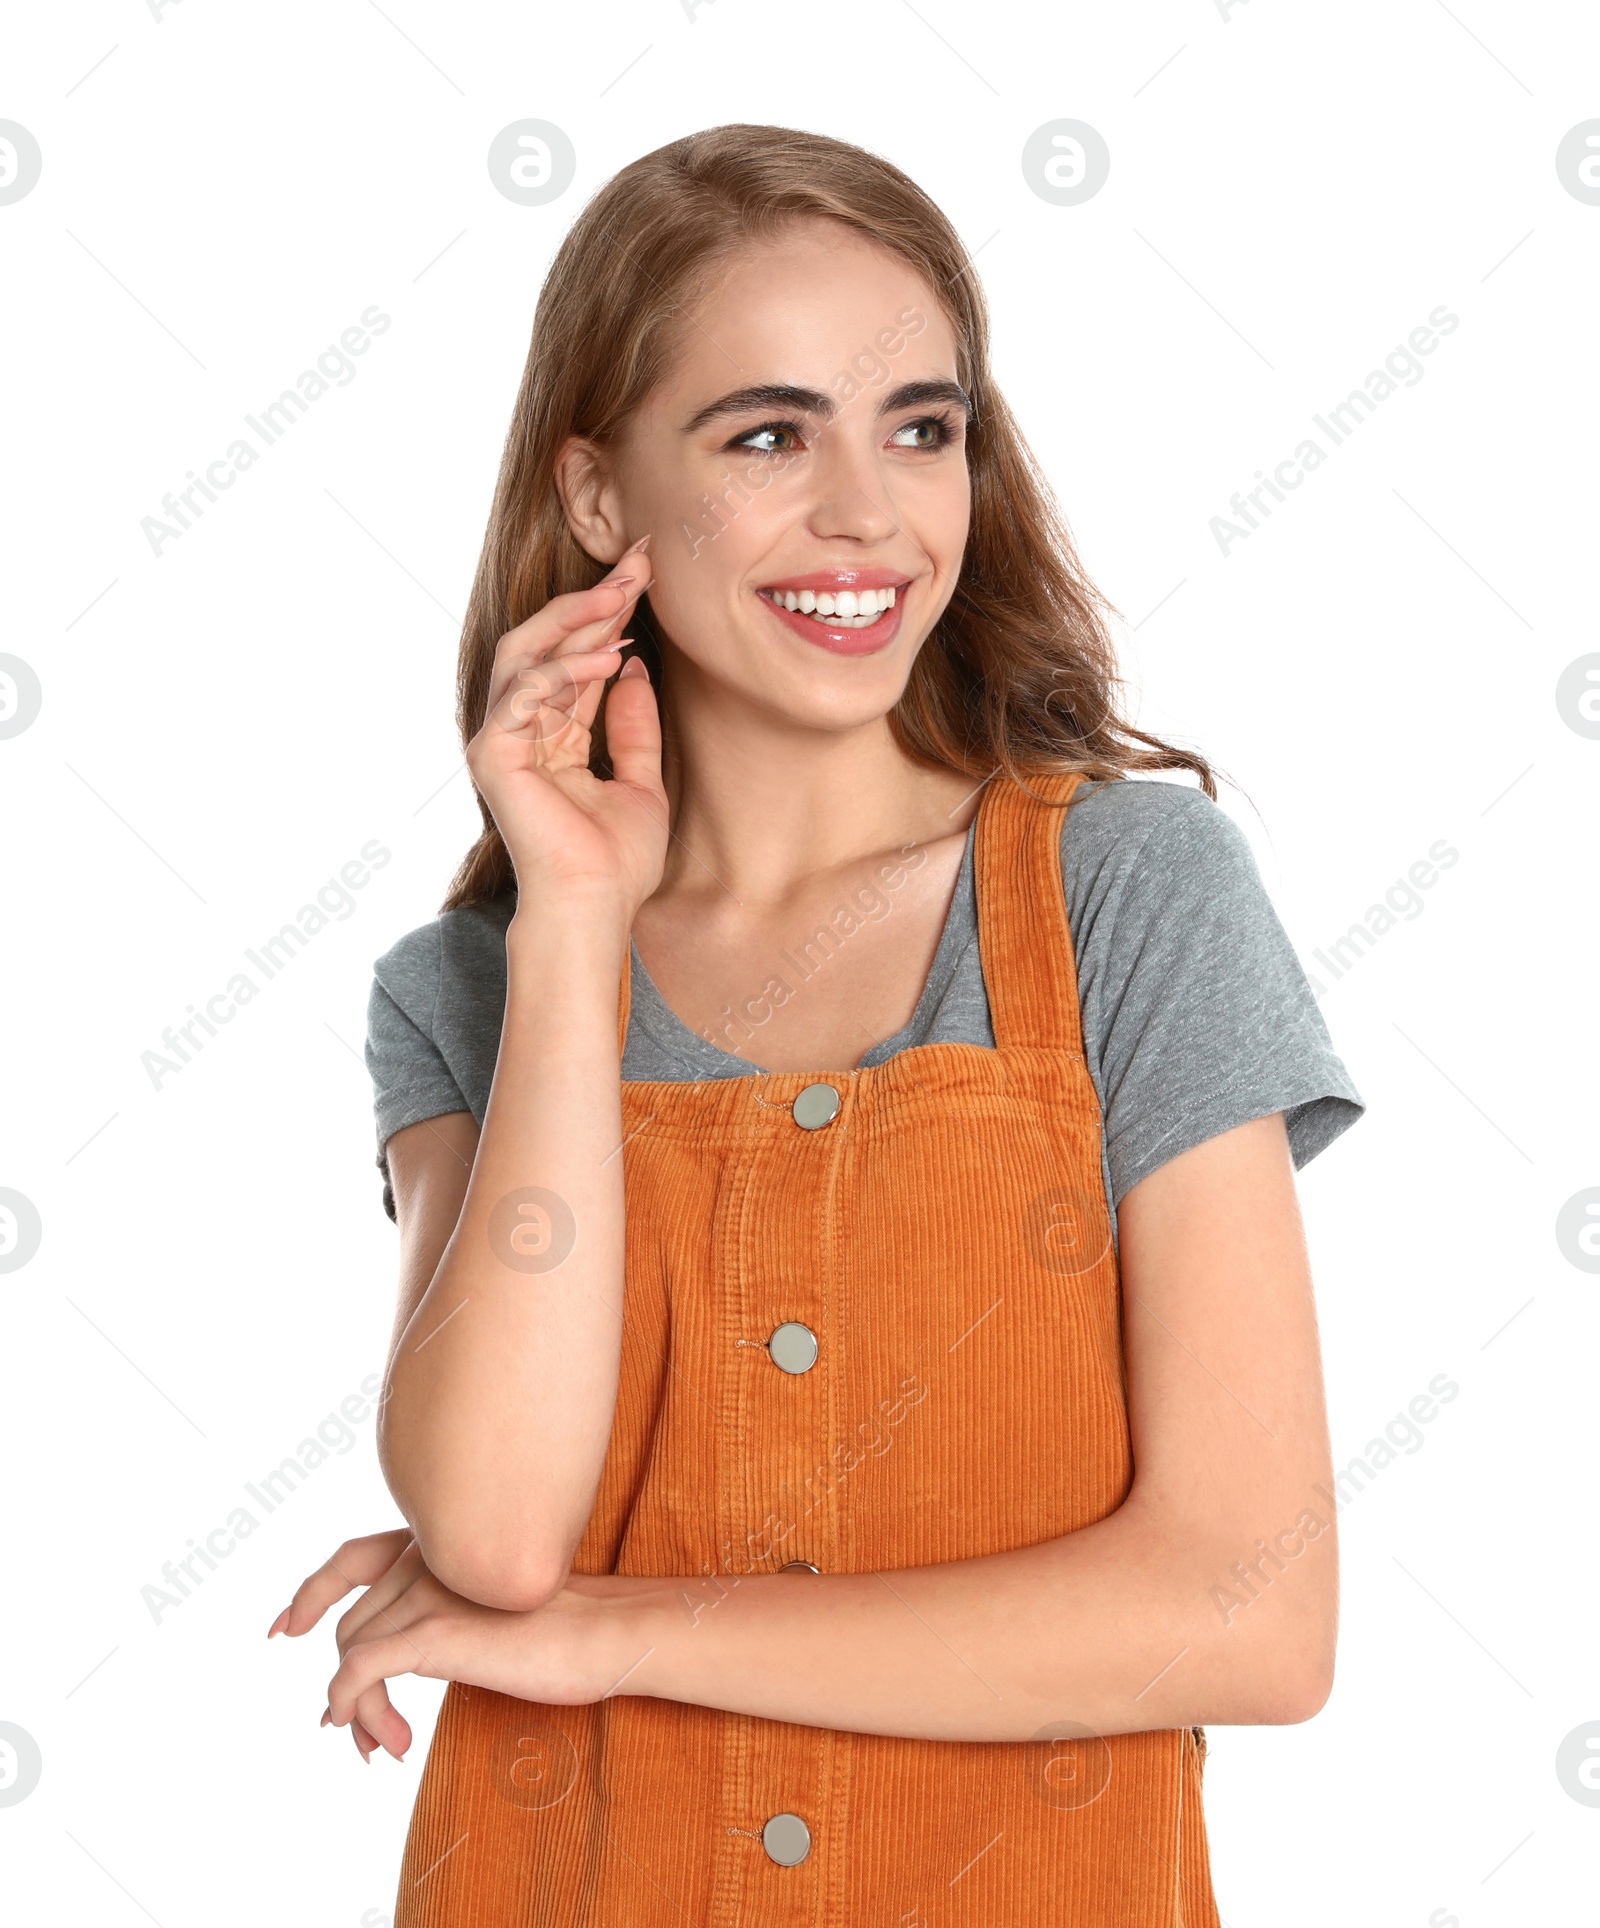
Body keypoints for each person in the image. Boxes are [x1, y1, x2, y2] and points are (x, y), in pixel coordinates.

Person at [267, 124, 1365, 1925]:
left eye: (919, 428)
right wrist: (571, 929)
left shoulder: (1130, 896)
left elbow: (1249, 1610)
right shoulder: (465, 986)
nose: (870, 513)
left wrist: (621, 1632)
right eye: (769, 434)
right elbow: (496, 1534)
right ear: (600, 498)